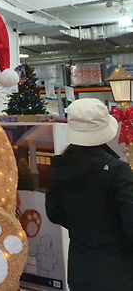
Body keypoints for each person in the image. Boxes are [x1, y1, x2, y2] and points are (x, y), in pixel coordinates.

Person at [46, 98, 133, 291]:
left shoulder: (61, 167)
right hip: (117, 273)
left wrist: (83, 227)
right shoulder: (118, 170)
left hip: (80, 270)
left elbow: (53, 212)